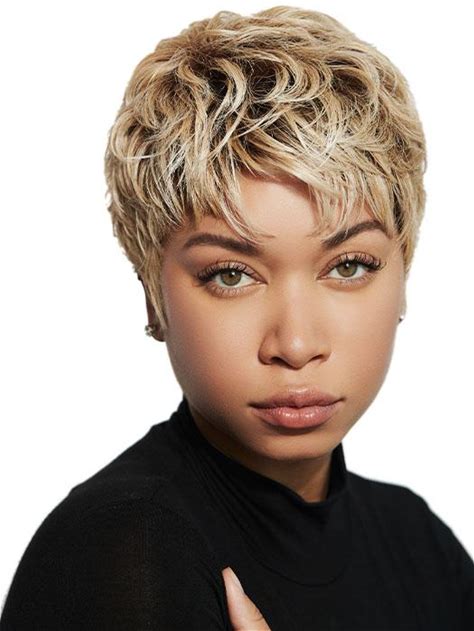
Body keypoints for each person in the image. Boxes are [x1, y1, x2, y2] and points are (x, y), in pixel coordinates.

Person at [1, 5, 473, 630]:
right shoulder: (120, 550)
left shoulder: (420, 542)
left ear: (403, 273)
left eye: (350, 265)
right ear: (152, 295)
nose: (296, 344)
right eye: (231, 275)